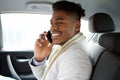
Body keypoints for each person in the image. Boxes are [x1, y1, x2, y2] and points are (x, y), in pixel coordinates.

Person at [29, 0, 92, 80]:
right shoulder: (63, 47)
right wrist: (39, 59)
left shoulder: (75, 58)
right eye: (52, 23)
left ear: (77, 25)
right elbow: (46, 76)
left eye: (59, 22)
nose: (52, 28)